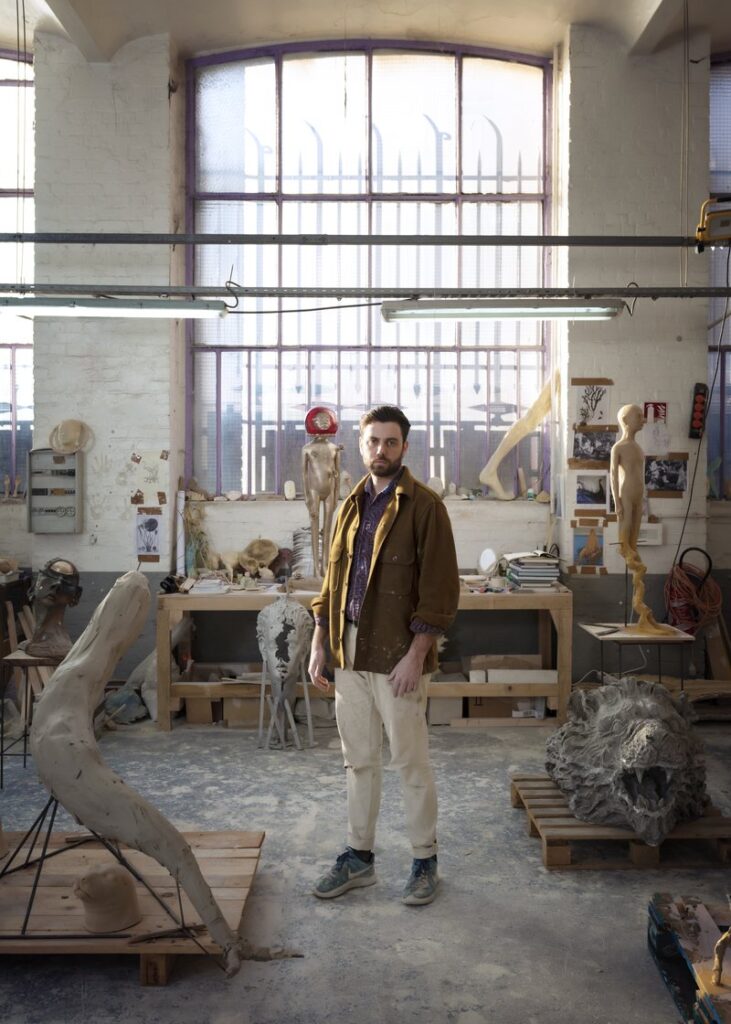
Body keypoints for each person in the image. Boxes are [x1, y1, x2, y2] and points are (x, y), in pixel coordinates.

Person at [309, 405, 460, 906]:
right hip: (349, 652)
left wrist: (417, 655)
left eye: (391, 442)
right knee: (358, 762)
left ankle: (424, 860)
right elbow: (332, 584)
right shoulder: (349, 506)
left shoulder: (426, 507)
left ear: (405, 447)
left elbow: (440, 592)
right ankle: (359, 858)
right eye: (373, 441)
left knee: (410, 762)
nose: (381, 450)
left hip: (399, 656)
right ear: (360, 444)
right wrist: (320, 644)